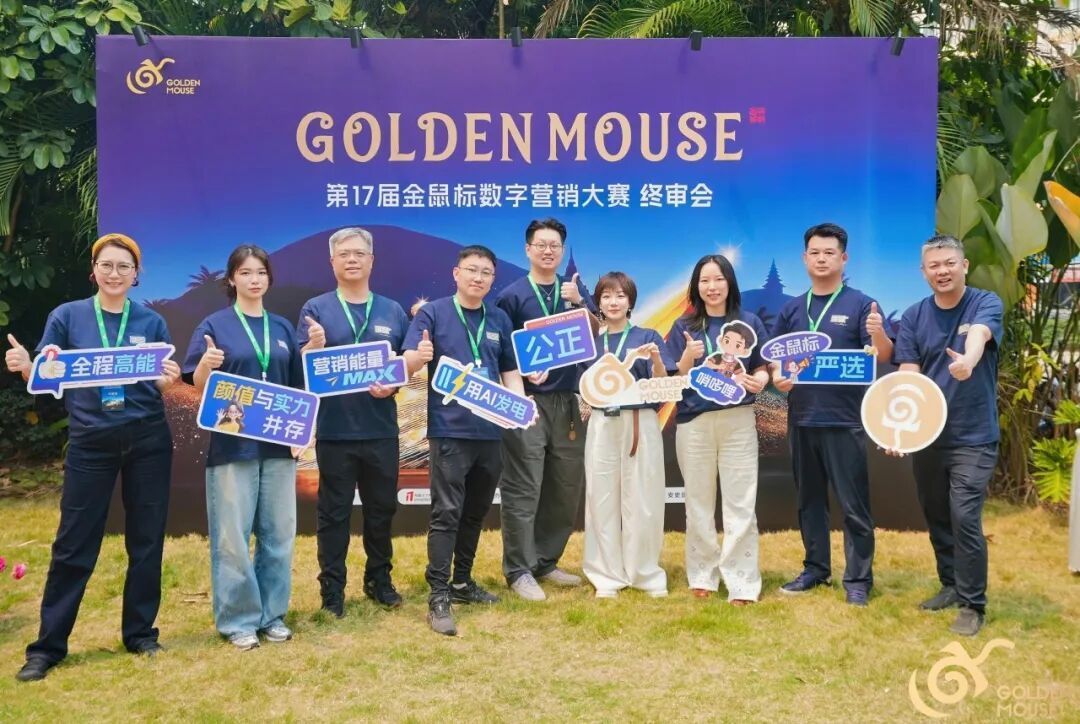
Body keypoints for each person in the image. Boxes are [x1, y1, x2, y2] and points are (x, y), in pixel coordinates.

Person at [7, 233, 180, 682]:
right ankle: (47, 648)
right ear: (94, 270)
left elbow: (163, 384)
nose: (115, 273)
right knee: (74, 543)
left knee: (146, 539)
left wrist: (168, 379)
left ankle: (140, 633)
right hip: (91, 440)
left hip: (147, 439)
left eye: (124, 266)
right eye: (107, 265)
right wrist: (27, 366)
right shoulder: (68, 316)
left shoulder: (151, 321)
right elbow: (48, 375)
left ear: (136, 275)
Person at [182, 244, 303, 651]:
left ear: (269, 279)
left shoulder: (282, 328)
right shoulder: (214, 325)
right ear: (232, 279)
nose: (254, 279)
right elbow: (198, 384)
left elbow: (298, 388)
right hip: (233, 446)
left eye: (261, 272)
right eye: (246, 272)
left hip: (279, 445)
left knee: (279, 533)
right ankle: (238, 619)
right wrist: (206, 365)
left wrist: (303, 434)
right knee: (232, 536)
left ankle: (272, 615)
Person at [769, 223, 893, 606]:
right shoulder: (791, 309)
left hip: (845, 419)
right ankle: (815, 569)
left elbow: (883, 355)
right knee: (809, 501)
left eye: (829, 253)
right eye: (815, 253)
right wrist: (778, 377)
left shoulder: (862, 305)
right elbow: (775, 361)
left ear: (844, 258)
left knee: (854, 504)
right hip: (802, 418)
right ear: (804, 258)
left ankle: (858, 579)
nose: (821, 259)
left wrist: (878, 333)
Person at [403, 245, 523, 636]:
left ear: (492, 279)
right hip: (450, 429)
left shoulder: (499, 318)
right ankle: (438, 596)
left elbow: (509, 370)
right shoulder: (433, 313)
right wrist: (419, 356)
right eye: (472, 270)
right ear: (456, 274)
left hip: (490, 430)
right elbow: (408, 361)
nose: (478, 277)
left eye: (486, 272)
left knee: (475, 511)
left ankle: (462, 583)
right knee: (447, 512)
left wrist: (520, 406)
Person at [891, 234, 1003, 636]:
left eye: (949, 263)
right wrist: (900, 430)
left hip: (974, 435)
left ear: (964, 265)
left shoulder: (984, 302)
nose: (943, 271)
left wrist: (968, 361)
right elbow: (908, 374)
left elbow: (979, 336)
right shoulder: (914, 316)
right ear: (924, 272)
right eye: (934, 266)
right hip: (929, 436)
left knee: (964, 515)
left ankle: (973, 604)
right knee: (937, 513)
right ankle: (951, 585)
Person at [297, 227, 410, 616]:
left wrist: (392, 385)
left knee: (381, 510)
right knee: (333, 514)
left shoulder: (392, 311)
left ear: (371, 261)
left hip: (381, 429)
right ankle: (332, 590)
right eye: (344, 253)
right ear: (332, 261)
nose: (352, 259)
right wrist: (311, 347)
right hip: (335, 430)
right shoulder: (315, 309)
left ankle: (379, 580)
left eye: (359, 253)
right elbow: (301, 366)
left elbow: (403, 364)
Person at [495, 218, 598, 601]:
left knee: (564, 485)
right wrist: (522, 376)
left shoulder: (573, 291)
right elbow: (500, 350)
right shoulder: (512, 296)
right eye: (541, 244)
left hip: (568, 401)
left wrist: (581, 303)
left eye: (555, 245)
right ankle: (519, 569)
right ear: (528, 249)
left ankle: (545, 560)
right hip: (528, 403)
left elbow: (598, 333)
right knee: (524, 486)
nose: (548, 251)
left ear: (562, 249)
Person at [666, 255, 770, 605]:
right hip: (694, 422)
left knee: (741, 502)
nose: (712, 287)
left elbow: (763, 367)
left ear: (730, 282)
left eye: (719, 279)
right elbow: (673, 379)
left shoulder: (749, 322)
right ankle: (702, 575)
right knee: (697, 502)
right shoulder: (684, 326)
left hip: (738, 421)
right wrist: (687, 356)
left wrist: (760, 380)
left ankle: (743, 582)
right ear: (696, 286)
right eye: (705, 280)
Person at [580, 272, 675, 598]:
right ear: (598, 302)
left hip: (640, 421)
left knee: (643, 498)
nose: (613, 302)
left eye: (620, 295)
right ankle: (606, 575)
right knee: (601, 497)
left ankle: (644, 573)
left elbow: (662, 386)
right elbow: (581, 385)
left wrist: (657, 359)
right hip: (603, 422)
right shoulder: (591, 343)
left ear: (630, 301)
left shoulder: (648, 336)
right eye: (606, 296)